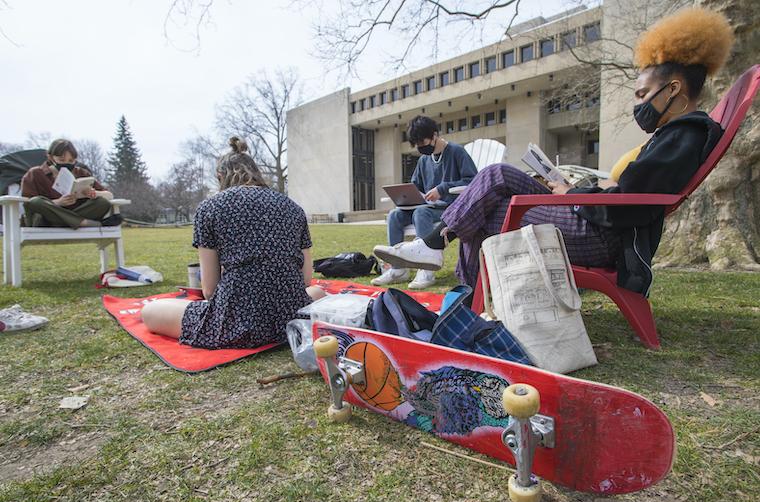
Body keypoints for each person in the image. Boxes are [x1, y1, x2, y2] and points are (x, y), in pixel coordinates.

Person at [374, 7, 733, 297]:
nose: (637, 104)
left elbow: (630, 205)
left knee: (487, 211)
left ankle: (456, 284)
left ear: (673, 89)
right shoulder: (670, 136)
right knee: (496, 176)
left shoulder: (682, 137)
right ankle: (443, 260)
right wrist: (567, 187)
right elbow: (625, 193)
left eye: (642, 95)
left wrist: (572, 193)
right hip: (588, 217)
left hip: (599, 235)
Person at [141, 137, 325, 349]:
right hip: (290, 317)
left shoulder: (211, 207)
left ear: (220, 176)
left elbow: (209, 290)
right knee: (318, 293)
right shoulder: (293, 207)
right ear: (257, 173)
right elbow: (306, 278)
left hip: (238, 323)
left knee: (151, 311)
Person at [371, 115, 477, 289]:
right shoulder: (423, 160)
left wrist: (442, 189)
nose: (421, 147)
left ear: (434, 135)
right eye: (417, 145)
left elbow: (473, 181)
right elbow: (416, 186)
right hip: (427, 207)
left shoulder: (457, 152)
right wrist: (405, 197)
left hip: (451, 208)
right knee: (395, 215)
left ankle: (426, 269)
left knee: (421, 212)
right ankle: (399, 270)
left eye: (423, 142)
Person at [21, 139, 120, 228]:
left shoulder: (82, 173)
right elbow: (29, 203)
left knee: (102, 202)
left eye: (71, 161)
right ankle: (83, 223)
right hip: (45, 220)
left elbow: (109, 195)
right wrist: (58, 202)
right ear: (50, 157)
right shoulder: (35, 173)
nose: (66, 163)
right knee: (35, 201)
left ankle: (68, 222)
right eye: (61, 160)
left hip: (74, 213)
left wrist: (93, 193)